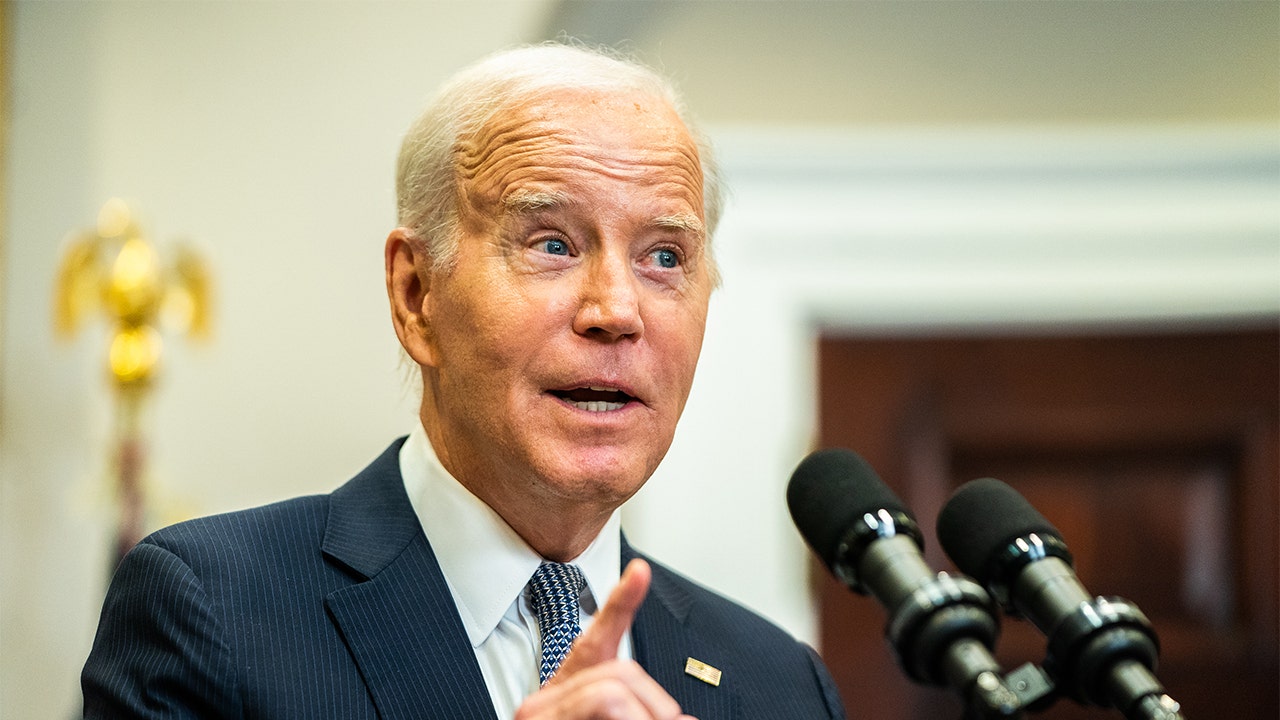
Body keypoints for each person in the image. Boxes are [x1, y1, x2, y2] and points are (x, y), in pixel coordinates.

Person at [81, 43, 848, 720]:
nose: (616, 310)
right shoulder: (210, 611)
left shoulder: (779, 684)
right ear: (416, 295)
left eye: (666, 258)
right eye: (552, 243)